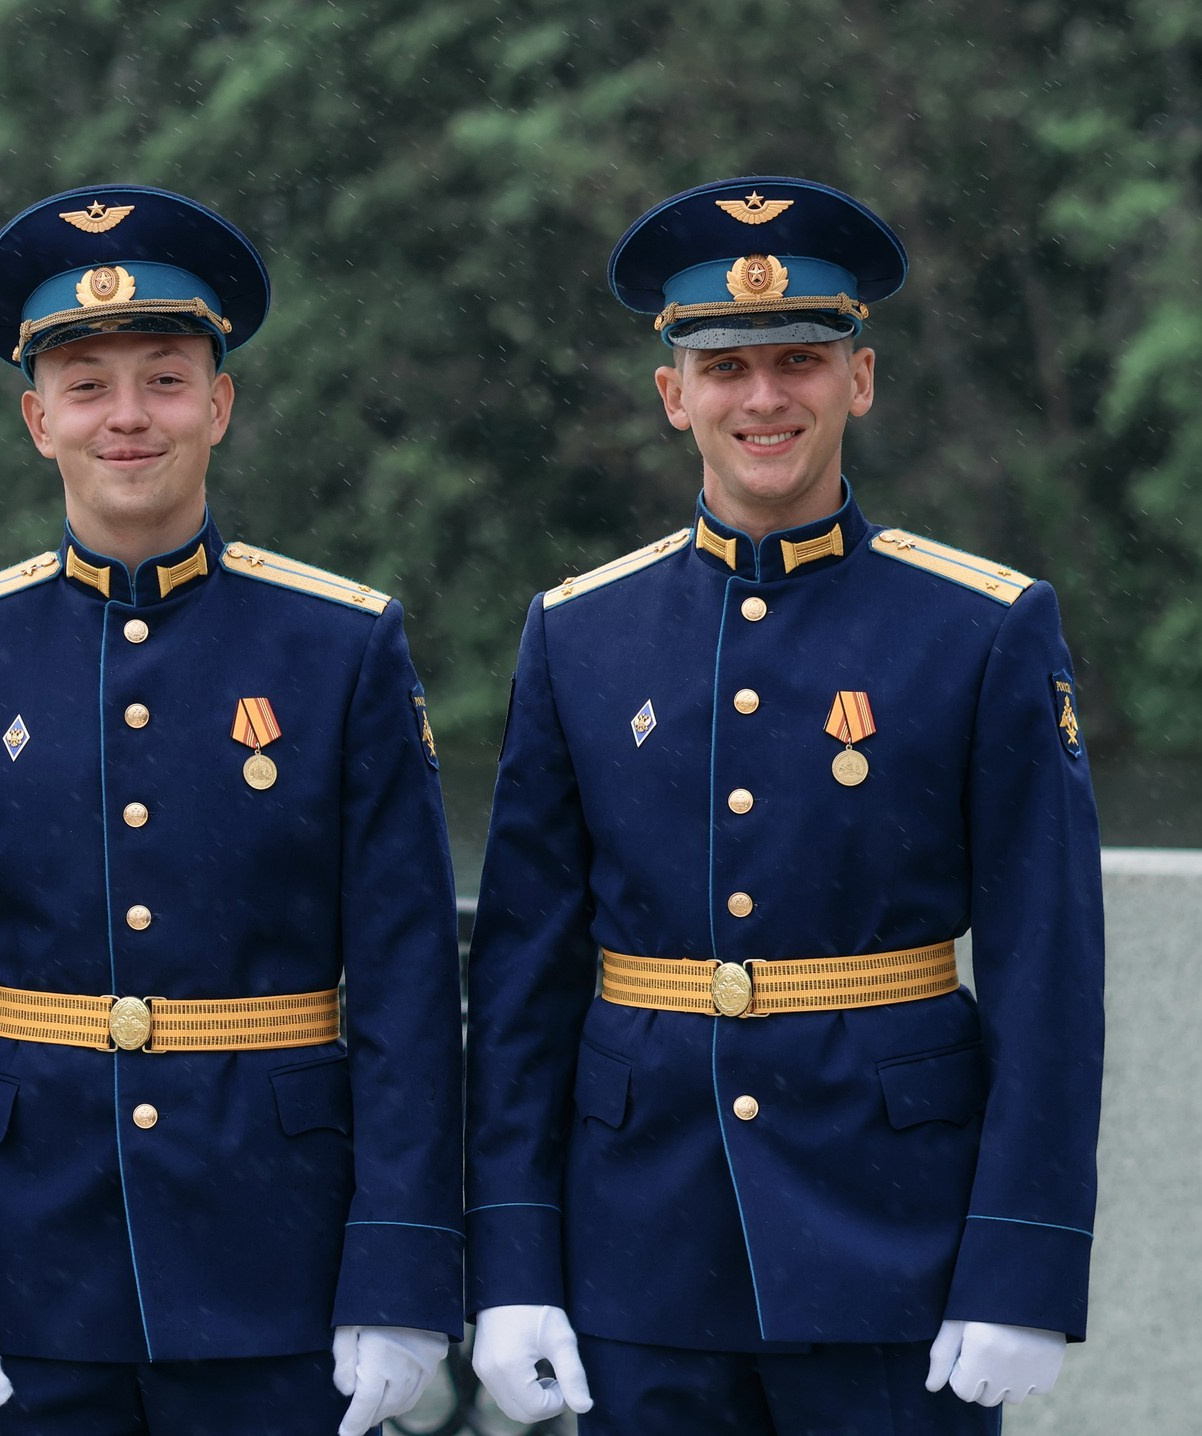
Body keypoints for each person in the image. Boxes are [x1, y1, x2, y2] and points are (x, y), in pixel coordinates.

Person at [463, 175, 1105, 1433]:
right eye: (727, 366)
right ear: (673, 395)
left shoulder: (980, 626)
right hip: (636, 1243)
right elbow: (525, 978)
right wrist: (513, 1265)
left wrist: (1023, 1261)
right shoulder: (579, 634)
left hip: (894, 1244)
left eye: (800, 359)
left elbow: (1048, 969)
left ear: (858, 379)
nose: (765, 397)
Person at [0, 185, 464, 1436]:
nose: (127, 416)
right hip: (23, 1270)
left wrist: (401, 1268)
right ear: (35, 419)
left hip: (278, 1260)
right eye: (85, 382)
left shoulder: (340, 644)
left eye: (165, 378)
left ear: (219, 404)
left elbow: (405, 983)